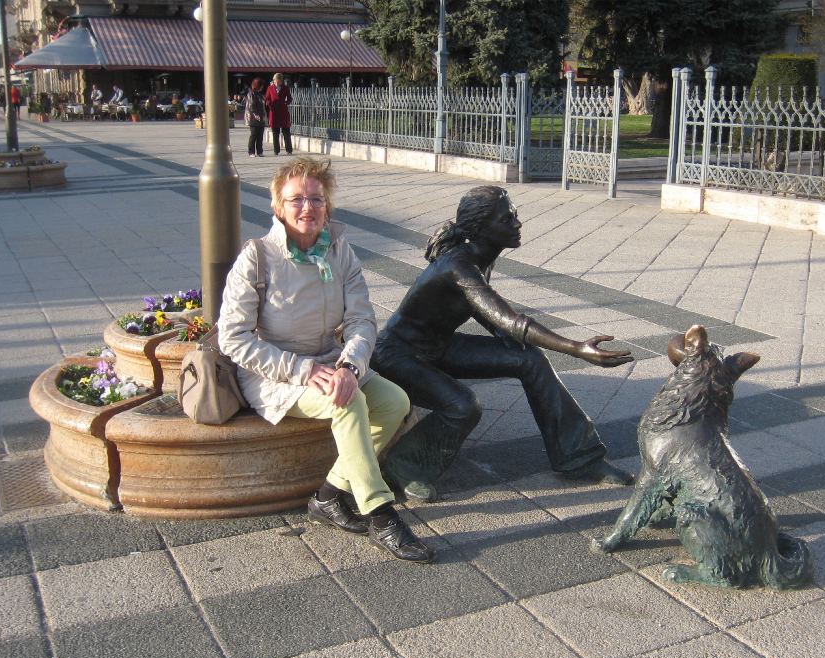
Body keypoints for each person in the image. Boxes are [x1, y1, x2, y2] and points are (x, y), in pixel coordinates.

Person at [218, 157, 433, 563]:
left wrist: (350, 365)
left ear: (327, 205)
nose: (307, 207)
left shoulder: (339, 250)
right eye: (296, 199)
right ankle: (381, 513)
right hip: (275, 374)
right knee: (346, 401)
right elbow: (234, 339)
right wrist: (303, 371)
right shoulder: (257, 258)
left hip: (332, 361)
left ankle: (329, 496)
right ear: (278, 207)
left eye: (316, 198)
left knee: (394, 403)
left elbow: (362, 321)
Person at [371, 186, 635, 503]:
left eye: (514, 215)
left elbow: (489, 315)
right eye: (506, 218)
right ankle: (406, 466)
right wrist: (576, 347)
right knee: (463, 405)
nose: (517, 223)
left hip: (437, 347)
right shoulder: (459, 267)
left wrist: (505, 341)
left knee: (529, 359)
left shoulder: (481, 257)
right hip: (397, 355)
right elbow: (511, 320)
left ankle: (579, 457)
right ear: (482, 228)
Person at [264, 73, 293, 155]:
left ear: (281, 81)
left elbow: (290, 98)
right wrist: (269, 104)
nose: (276, 83)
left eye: (278, 81)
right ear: (273, 80)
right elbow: (267, 98)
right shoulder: (270, 88)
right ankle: (276, 151)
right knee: (275, 133)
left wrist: (286, 103)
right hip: (274, 112)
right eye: (275, 81)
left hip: (283, 112)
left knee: (286, 132)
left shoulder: (285, 88)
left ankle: (289, 150)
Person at [245, 77, 267, 157]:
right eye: (261, 86)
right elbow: (251, 106)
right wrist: (255, 114)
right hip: (253, 118)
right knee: (253, 135)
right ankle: (251, 152)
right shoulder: (251, 94)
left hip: (261, 117)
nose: (262, 87)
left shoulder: (260, 95)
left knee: (260, 135)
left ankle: (260, 151)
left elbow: (263, 106)